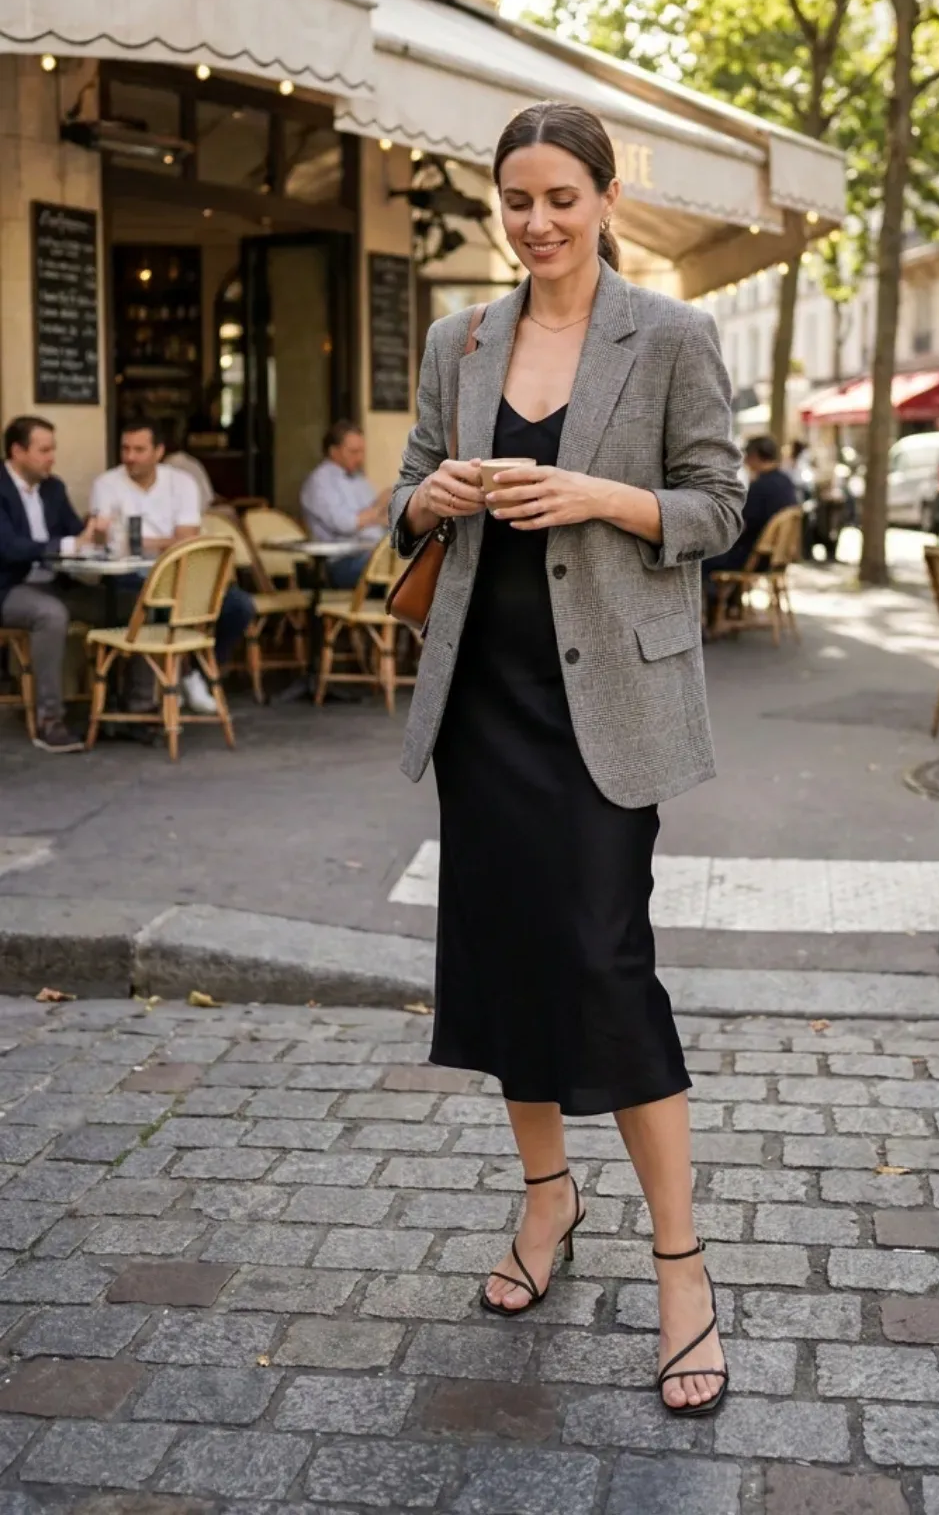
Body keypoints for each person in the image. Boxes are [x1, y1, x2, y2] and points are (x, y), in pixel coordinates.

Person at [391, 101, 743, 1417]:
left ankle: (682, 1265)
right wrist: (429, 497)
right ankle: (548, 1200)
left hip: (607, 707)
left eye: (560, 198)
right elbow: (405, 494)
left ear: (605, 200)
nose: (537, 223)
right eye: (516, 199)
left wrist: (599, 497)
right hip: (481, 700)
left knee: (604, 963)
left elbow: (719, 504)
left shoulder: (671, 336)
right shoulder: (460, 338)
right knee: (500, 960)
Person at [90, 421, 254, 716]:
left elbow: (187, 538)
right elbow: (104, 541)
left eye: (139, 450)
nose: (130, 457)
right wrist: (102, 534)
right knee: (151, 606)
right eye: (125, 449)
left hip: (182, 572)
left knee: (239, 606)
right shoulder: (107, 483)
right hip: (129, 575)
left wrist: (138, 541)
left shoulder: (181, 483)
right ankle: (171, 679)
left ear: (158, 452)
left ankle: (195, 674)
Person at [0, 415, 108, 752]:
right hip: (8, 588)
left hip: (55, 583)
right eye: (44, 450)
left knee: (123, 602)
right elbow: (9, 548)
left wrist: (94, 536)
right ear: (17, 451)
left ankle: (129, 707)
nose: (52, 458)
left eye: (53, 449)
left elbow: (76, 534)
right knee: (50, 614)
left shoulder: (53, 488)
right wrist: (67, 544)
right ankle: (50, 721)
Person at [703, 434, 798, 596]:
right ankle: (730, 603)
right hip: (775, 557)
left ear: (754, 456)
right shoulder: (786, 481)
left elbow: (743, 524)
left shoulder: (760, 486)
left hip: (755, 558)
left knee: (700, 559)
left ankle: (715, 606)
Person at [300, 422, 391, 588]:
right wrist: (379, 507)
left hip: (373, 552)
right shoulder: (320, 482)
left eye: (362, 452)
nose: (360, 458)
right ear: (334, 451)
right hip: (343, 562)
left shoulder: (359, 480)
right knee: (406, 570)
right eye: (354, 452)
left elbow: (379, 519)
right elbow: (346, 524)